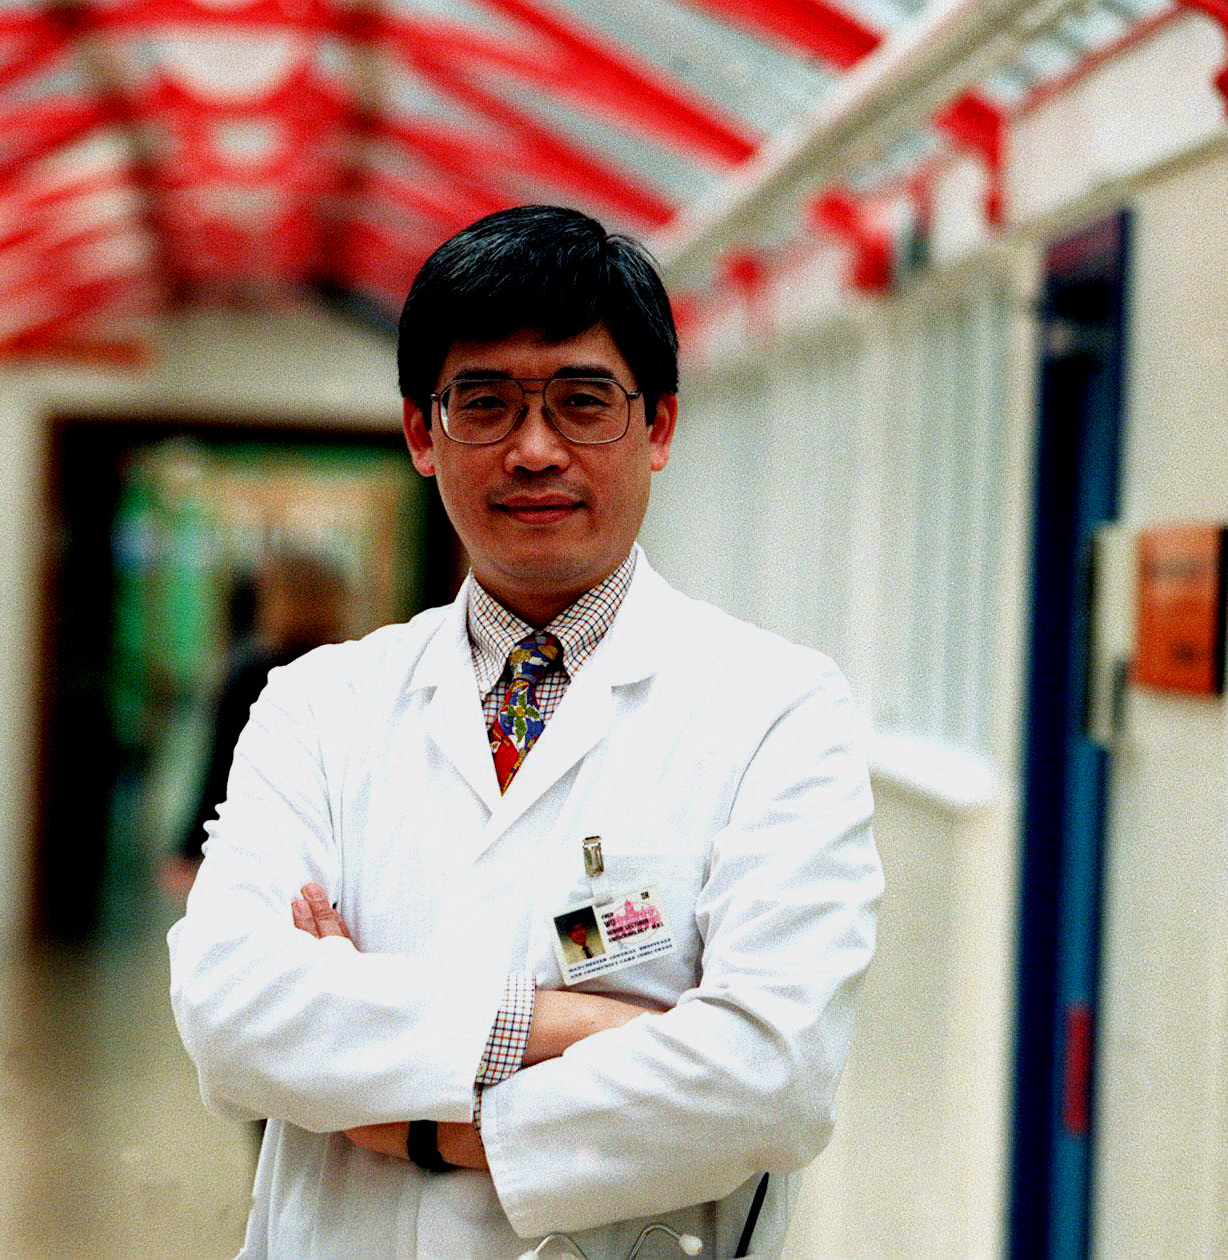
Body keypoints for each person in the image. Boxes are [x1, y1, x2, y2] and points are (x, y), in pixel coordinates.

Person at [168, 205, 883, 1258]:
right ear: (422, 433)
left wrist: (415, 1120)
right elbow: (231, 1016)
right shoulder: (318, 706)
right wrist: (560, 1024)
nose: (535, 450)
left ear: (660, 427)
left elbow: (769, 1081)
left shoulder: (777, 712)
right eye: (486, 405)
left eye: (583, 403)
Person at [159, 550, 350, 901]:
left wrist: (189, 848)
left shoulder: (252, 673)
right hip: (336, 843)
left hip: (263, 834)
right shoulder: (350, 670)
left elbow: (221, 767)